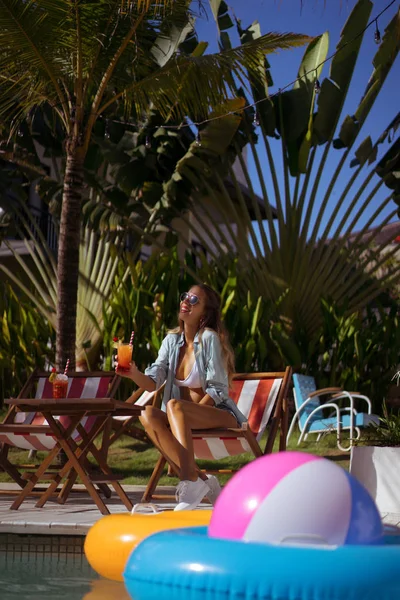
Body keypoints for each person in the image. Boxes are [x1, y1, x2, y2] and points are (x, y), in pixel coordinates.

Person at [115, 283, 247, 511]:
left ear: (204, 313)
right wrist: (133, 373)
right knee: (147, 413)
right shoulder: (171, 341)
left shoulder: (209, 339)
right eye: (185, 296)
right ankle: (201, 481)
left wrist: (190, 414)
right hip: (183, 417)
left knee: (176, 406)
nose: (186, 301)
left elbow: (217, 389)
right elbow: (152, 383)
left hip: (219, 414)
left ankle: (188, 480)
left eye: (194, 300)